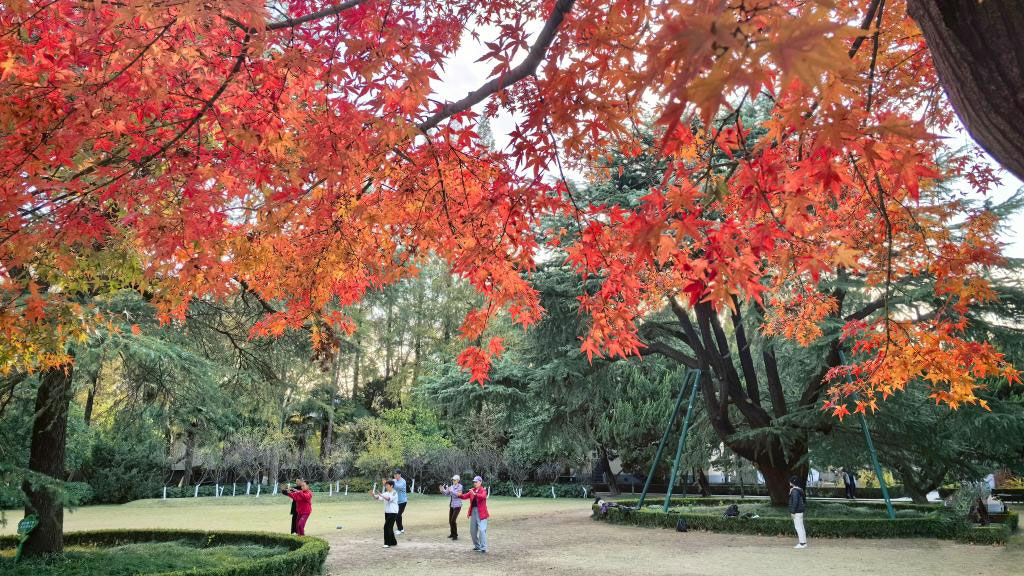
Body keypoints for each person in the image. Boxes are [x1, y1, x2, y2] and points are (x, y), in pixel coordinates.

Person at [459, 475, 489, 554]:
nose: (475, 483)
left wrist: (475, 494)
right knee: (472, 531)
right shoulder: (472, 490)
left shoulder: (483, 490)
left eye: (476, 482)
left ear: (480, 482)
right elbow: (464, 496)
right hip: (474, 512)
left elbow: (483, 497)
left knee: (482, 530)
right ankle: (477, 546)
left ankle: (483, 548)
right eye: (474, 482)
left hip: (482, 513)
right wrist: (458, 494)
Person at [372, 480, 399, 548]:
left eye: (387, 485)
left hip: (393, 512)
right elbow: (378, 498)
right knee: (390, 527)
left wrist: (381, 495)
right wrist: (374, 496)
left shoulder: (394, 493)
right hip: (387, 513)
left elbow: (388, 499)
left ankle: (387, 543)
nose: (386, 486)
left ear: (391, 486)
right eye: (386, 485)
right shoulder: (386, 493)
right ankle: (393, 542)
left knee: (386, 527)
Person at [439, 474, 463, 540]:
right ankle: (452, 534)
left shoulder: (460, 486)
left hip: (458, 505)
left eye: (454, 480)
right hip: (451, 505)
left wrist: (451, 490)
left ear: (458, 480)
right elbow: (446, 494)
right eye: (453, 480)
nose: (453, 481)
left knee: (453, 520)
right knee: (450, 521)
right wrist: (442, 490)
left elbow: (459, 494)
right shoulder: (451, 486)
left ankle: (455, 535)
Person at [789, 476, 807, 549]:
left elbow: (795, 502)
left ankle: (802, 543)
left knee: (798, 527)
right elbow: (804, 501)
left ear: (793, 482)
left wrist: (792, 512)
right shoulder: (799, 490)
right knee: (801, 527)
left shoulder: (794, 491)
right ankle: (804, 543)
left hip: (797, 512)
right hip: (800, 511)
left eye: (790, 481)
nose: (789, 482)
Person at [392, 470, 408, 534]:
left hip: (403, 501)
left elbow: (398, 487)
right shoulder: (394, 480)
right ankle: (401, 529)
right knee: (398, 515)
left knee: (398, 515)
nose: (395, 475)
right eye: (395, 474)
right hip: (396, 501)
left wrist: (392, 482)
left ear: (400, 474)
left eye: (397, 474)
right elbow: (393, 489)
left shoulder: (403, 481)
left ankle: (399, 529)